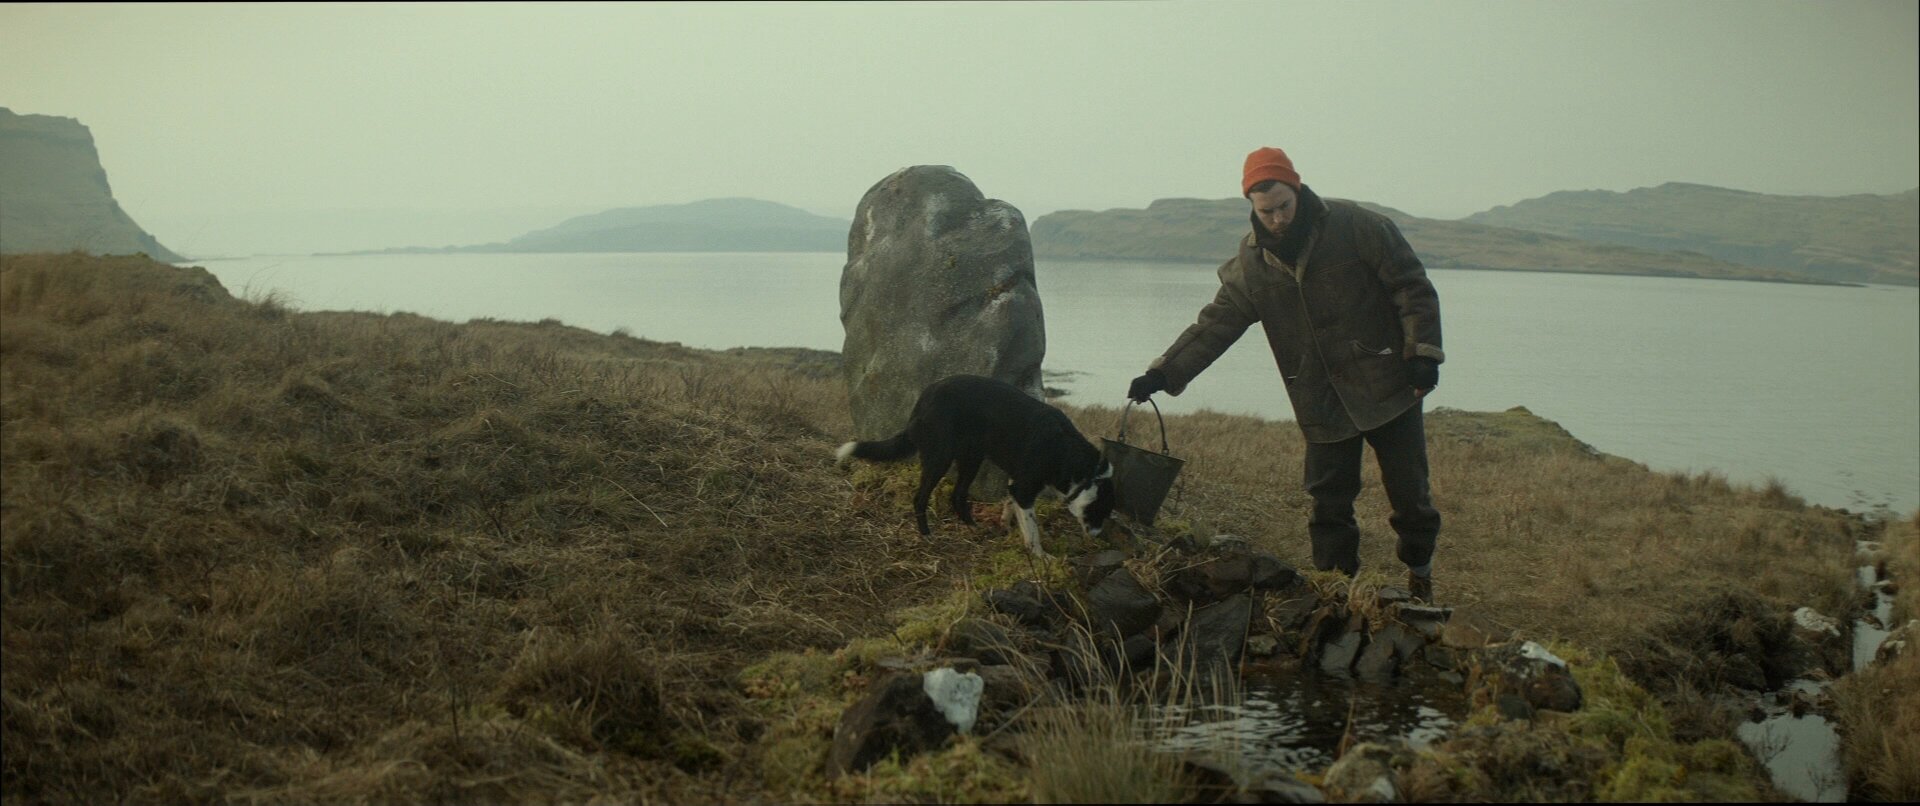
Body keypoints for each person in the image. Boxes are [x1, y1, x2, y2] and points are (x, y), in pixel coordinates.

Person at [1127, 146, 1445, 602]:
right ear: (1251, 206)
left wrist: (1423, 355)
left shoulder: (1358, 226)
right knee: (1328, 504)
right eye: (1266, 211)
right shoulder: (1250, 263)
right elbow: (1216, 324)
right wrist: (1163, 373)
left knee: (1411, 497)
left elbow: (1412, 288)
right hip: (1318, 395)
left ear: (1297, 190)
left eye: (1284, 206)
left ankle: (1420, 575)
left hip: (1388, 382)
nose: (1277, 219)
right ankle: (1336, 594)